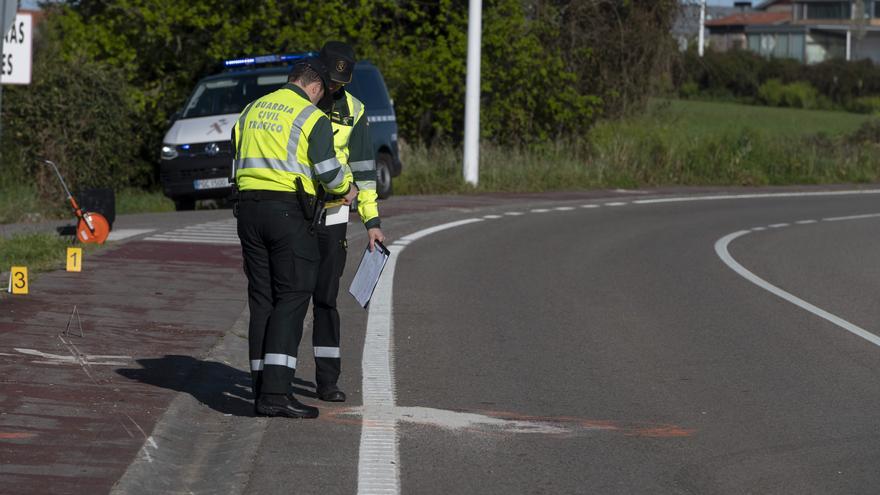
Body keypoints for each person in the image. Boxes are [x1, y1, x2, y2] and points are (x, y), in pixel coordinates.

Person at [233, 56, 358, 418]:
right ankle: (276, 393)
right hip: (287, 212)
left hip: (248, 211)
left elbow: (235, 158)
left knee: (263, 299)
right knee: (294, 295)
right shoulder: (311, 117)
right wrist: (347, 189)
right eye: (322, 94)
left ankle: (260, 384)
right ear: (315, 86)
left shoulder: (251, 110)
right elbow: (328, 173)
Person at [310, 41, 385, 402]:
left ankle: (327, 380)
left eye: (342, 82)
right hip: (295, 211)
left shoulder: (354, 110)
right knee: (291, 297)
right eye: (331, 80)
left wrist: (371, 222)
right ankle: (277, 378)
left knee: (326, 297)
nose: (336, 88)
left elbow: (365, 173)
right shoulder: (300, 101)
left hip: (335, 211)